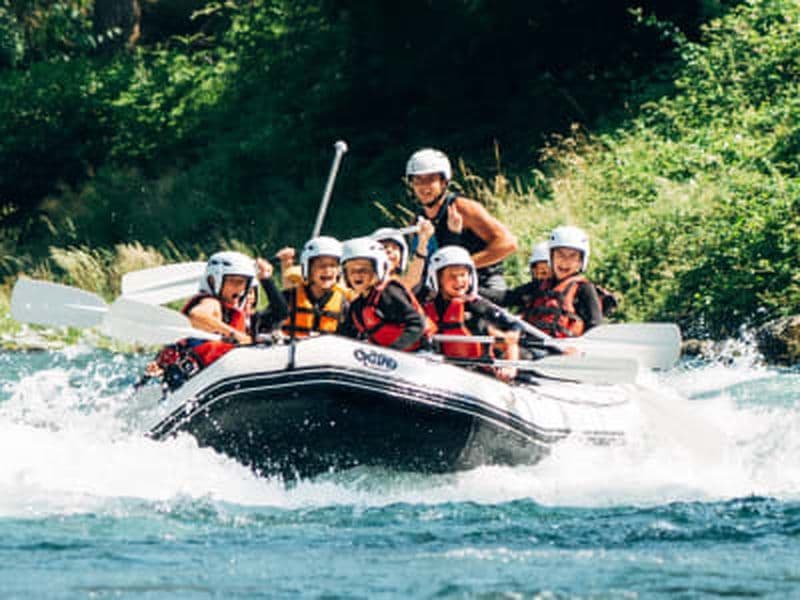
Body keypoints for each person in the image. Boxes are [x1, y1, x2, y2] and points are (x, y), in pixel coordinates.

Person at [406, 148, 517, 291]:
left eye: (430, 179)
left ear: (444, 182)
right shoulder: (417, 220)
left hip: (484, 281)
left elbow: (508, 243)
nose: (423, 186)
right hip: (446, 288)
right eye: (417, 180)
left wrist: (462, 265)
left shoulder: (463, 208)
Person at [422, 246, 521, 382]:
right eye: (452, 276)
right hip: (442, 372)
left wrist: (510, 368)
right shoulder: (428, 306)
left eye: (463, 275)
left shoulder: (477, 305)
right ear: (438, 278)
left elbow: (512, 333)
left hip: (477, 374)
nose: (459, 281)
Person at [341, 237, 431, 351]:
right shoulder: (356, 307)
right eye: (351, 271)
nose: (357, 274)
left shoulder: (389, 293)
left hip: (418, 353)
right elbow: (345, 336)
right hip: (385, 359)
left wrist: (393, 351)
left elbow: (418, 324)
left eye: (364, 269)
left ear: (378, 269)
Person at [521, 226, 603, 338]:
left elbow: (596, 325)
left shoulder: (584, 288)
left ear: (580, 262)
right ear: (551, 257)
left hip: (564, 351)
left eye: (572, 256)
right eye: (560, 255)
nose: (565, 261)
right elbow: (506, 297)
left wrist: (580, 347)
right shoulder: (539, 285)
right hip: (535, 345)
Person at [281, 236, 349, 337]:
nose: (327, 270)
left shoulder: (344, 305)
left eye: (333, 265)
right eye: (321, 266)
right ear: (309, 269)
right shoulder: (288, 297)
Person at [370, 218, 434, 293]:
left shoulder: (399, 286)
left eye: (394, 248)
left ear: (400, 261)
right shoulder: (361, 283)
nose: (389, 250)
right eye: (384, 247)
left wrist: (423, 242)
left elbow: (411, 279)